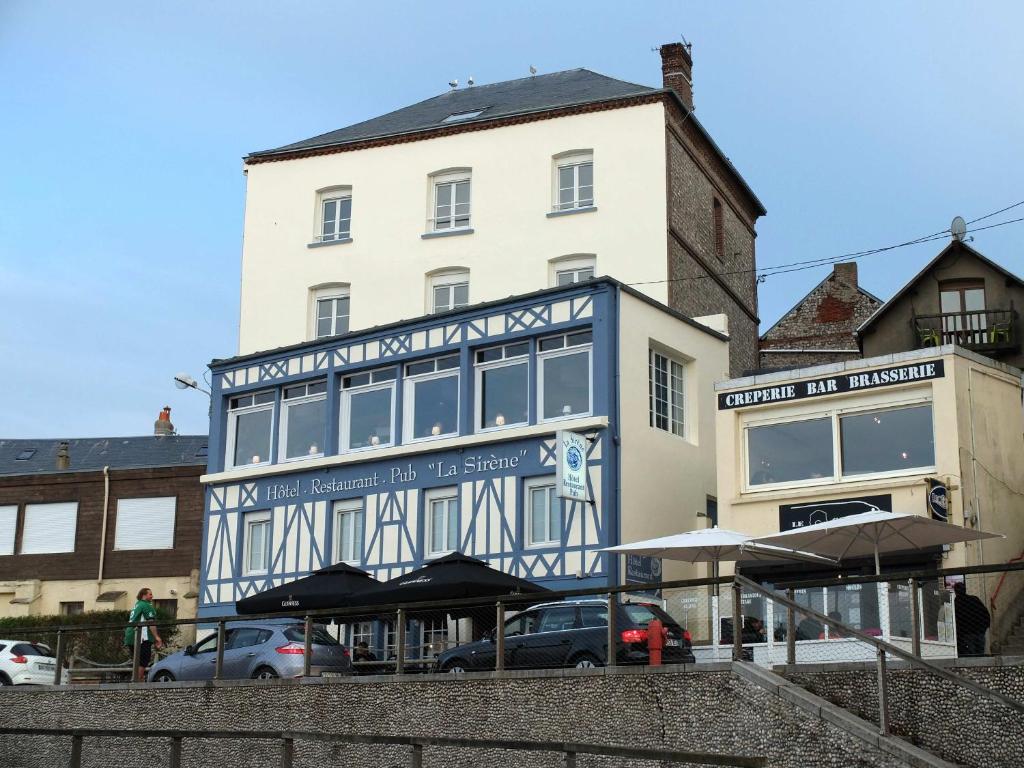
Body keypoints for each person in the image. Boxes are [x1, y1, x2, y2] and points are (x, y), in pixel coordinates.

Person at [124, 587, 163, 681]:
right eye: (150, 594)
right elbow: (151, 622)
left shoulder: (137, 605)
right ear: (144, 595)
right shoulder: (146, 605)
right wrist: (157, 637)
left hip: (130, 635)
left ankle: (136, 681)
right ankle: (136, 681)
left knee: (137, 661)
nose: (152, 596)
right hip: (140, 636)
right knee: (143, 660)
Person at [953, 582, 990, 656]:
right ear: (965, 590)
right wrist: (984, 627)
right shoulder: (974, 599)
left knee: (970, 656)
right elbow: (986, 613)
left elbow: (956, 620)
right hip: (979, 632)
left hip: (966, 634)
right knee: (980, 653)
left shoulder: (956, 603)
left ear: (955, 591)